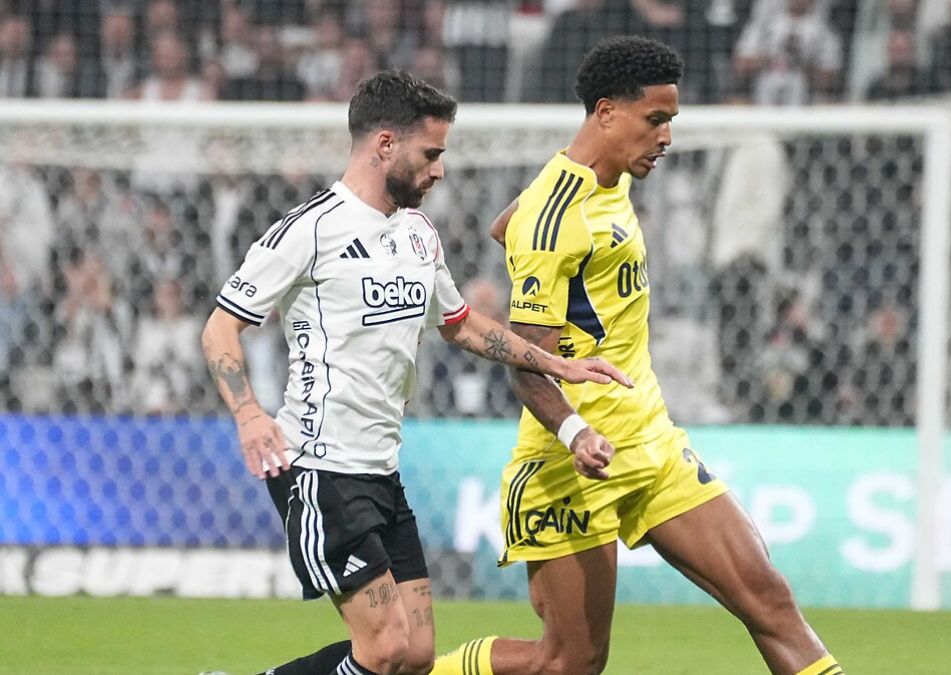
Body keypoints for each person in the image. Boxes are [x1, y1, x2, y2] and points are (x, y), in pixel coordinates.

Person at [433, 36, 841, 675]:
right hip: (572, 463)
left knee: (769, 599)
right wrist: (576, 432)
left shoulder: (604, 181)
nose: (666, 136)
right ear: (606, 113)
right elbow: (527, 370)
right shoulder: (554, 219)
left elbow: (505, 224)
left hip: (651, 444)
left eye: (670, 120)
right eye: (655, 119)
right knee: (569, 663)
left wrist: (534, 227)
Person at [200, 70, 630, 675]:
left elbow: (460, 324)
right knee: (384, 651)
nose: (440, 170)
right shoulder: (310, 230)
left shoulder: (418, 234)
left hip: (380, 469)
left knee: (417, 658)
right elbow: (220, 327)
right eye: (431, 154)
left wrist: (555, 362)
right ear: (384, 145)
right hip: (319, 466)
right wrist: (248, 414)